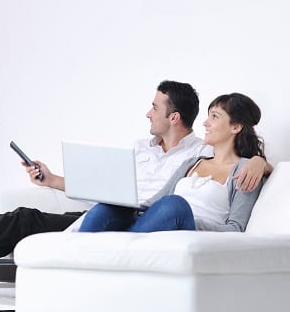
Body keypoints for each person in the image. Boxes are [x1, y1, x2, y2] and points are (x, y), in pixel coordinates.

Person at [0, 81, 271, 258]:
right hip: (128, 213)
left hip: (160, 222)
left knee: (170, 210)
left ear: (175, 116)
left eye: (154, 107)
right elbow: (125, 191)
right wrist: (55, 180)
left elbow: (227, 204)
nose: (147, 113)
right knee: (28, 217)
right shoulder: (175, 158)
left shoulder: (198, 153)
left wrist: (259, 160)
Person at [79, 93, 265, 233]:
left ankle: (125, 244)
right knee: (105, 209)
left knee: (175, 205)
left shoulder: (246, 170)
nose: (205, 123)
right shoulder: (193, 162)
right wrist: (118, 201)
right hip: (153, 222)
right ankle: (79, 261)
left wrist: (187, 220)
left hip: (186, 228)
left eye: (214, 116)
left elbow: (236, 228)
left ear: (236, 126)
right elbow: (154, 203)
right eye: (208, 116)